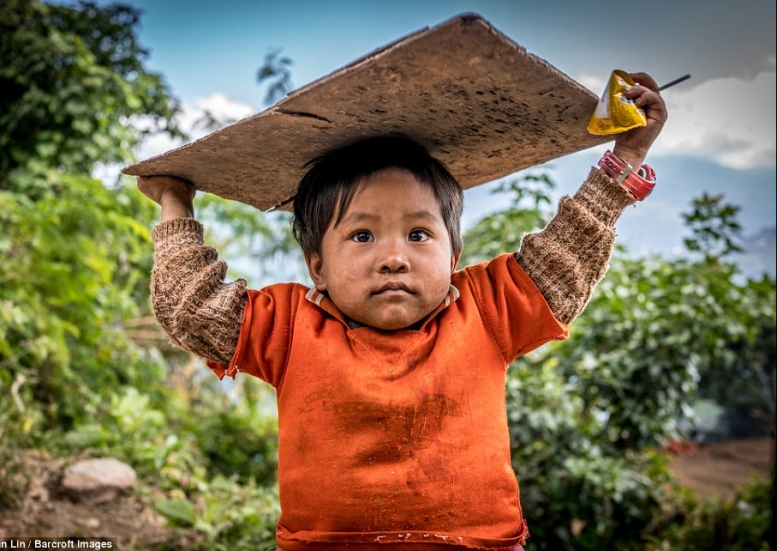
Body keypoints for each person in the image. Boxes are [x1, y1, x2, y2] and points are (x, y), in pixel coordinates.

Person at [137, 72, 667, 551]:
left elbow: (569, 251)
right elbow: (192, 307)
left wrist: (629, 154)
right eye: (362, 235)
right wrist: (174, 201)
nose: (394, 258)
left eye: (419, 234)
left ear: (453, 257)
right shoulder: (289, 325)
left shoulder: (488, 309)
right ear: (316, 266)